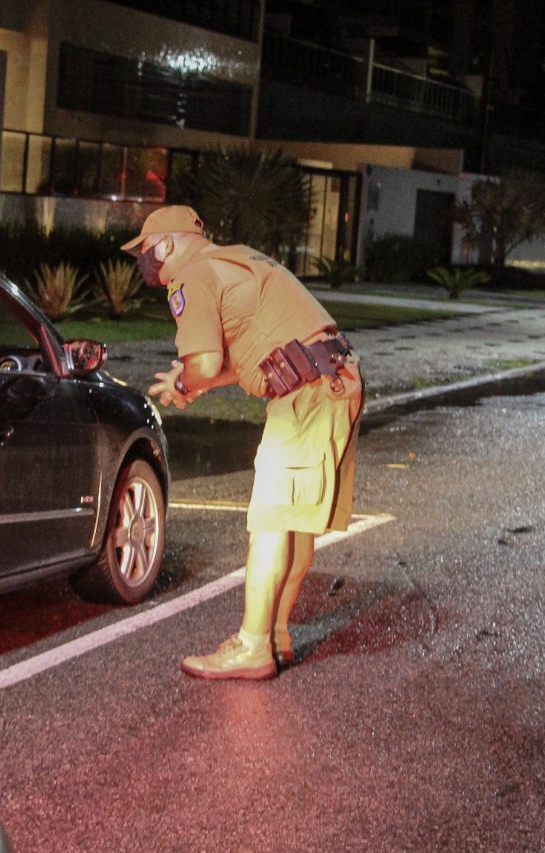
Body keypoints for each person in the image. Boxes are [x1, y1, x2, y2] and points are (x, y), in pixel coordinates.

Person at [122, 205, 365, 680]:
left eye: (146, 252)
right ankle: (275, 635)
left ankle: (252, 646)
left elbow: (207, 363)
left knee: (272, 520)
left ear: (167, 245)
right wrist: (197, 382)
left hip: (307, 395)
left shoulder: (189, 277)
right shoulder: (239, 259)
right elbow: (255, 357)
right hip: (333, 378)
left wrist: (189, 382)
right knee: (294, 522)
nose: (145, 263)